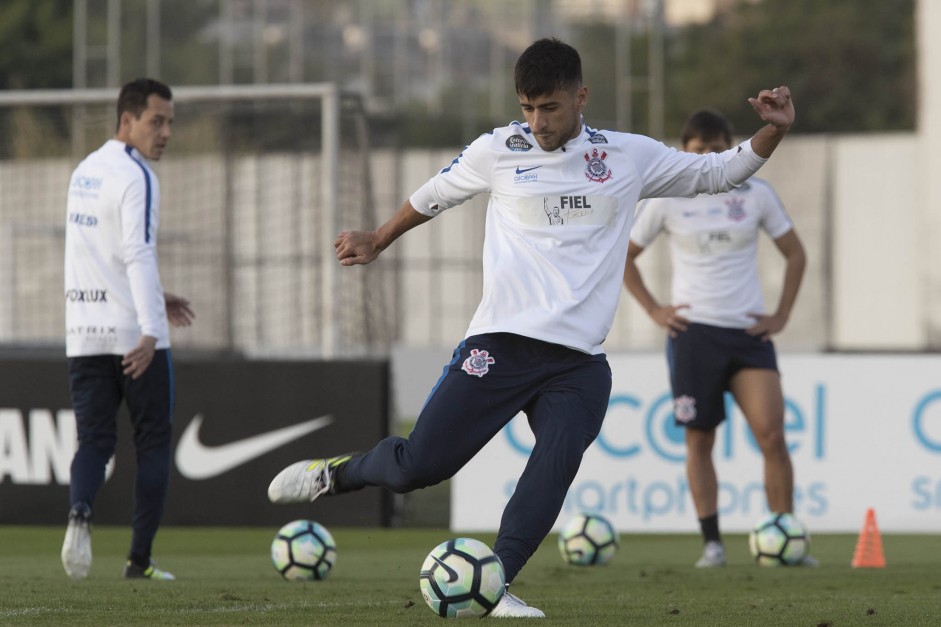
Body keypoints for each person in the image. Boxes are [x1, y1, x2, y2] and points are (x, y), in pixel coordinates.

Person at [268, 38, 795, 617]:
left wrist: (771, 131)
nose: (537, 122)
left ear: (580, 96)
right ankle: (337, 475)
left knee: (554, 465)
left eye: (549, 107)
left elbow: (716, 173)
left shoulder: (626, 157)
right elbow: (434, 195)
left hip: (578, 363)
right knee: (420, 466)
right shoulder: (498, 150)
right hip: (500, 343)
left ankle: (496, 584)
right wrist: (377, 237)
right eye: (527, 108)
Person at [622, 109, 812, 568]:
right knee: (699, 441)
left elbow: (795, 254)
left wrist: (781, 314)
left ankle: (783, 538)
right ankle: (713, 543)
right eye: (698, 147)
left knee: (771, 434)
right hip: (694, 335)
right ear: (684, 150)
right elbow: (624, 257)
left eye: (716, 146)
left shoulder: (756, 194)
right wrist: (653, 309)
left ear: (731, 148)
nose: (707, 154)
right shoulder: (666, 199)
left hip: (747, 334)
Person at [61, 78, 195, 581]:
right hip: (132, 335)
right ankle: (138, 561)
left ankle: (80, 510)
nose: (164, 133)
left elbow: (98, 258)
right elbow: (136, 254)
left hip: (83, 330)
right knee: (153, 444)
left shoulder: (84, 171)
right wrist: (149, 329)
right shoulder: (137, 176)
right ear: (127, 121)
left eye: (169, 123)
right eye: (156, 121)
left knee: (93, 442)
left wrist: (157, 296)